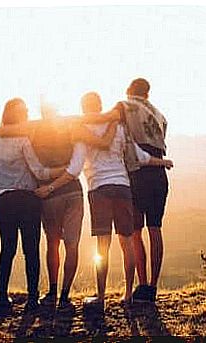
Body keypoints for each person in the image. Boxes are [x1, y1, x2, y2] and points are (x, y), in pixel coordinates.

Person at [0, 100, 118, 310]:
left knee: (38, 245)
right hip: (66, 191)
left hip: (30, 196)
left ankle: (43, 294)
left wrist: (49, 184)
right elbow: (64, 166)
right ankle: (60, 296)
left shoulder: (25, 134)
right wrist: (67, 172)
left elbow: (37, 169)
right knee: (63, 246)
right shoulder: (69, 126)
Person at [80, 92, 173, 308]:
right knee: (128, 240)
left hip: (100, 188)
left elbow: (76, 163)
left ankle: (101, 297)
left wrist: (57, 181)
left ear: (83, 108)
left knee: (103, 243)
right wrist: (162, 162)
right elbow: (139, 156)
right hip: (122, 186)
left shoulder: (82, 128)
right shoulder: (123, 127)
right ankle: (129, 294)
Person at [0, 98, 65, 313]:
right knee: (31, 249)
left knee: (7, 248)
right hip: (26, 199)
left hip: (2, 200)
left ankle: (2, 298)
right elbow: (39, 172)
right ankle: (33, 299)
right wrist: (64, 170)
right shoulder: (24, 141)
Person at [115, 78, 173, 302]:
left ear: (129, 90)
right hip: (159, 174)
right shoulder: (160, 115)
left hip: (138, 172)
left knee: (136, 231)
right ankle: (153, 286)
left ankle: (141, 283)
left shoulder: (125, 106)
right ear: (148, 93)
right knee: (155, 229)